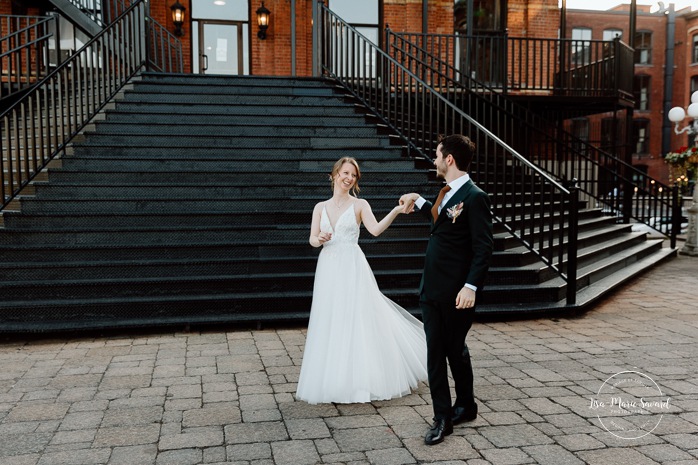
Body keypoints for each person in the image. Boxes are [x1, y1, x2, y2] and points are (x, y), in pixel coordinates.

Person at [295, 157, 428, 404]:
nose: (349, 178)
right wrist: (319, 239)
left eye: (354, 175)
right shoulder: (319, 207)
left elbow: (375, 230)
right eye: (345, 173)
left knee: (355, 317)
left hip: (351, 264)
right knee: (330, 318)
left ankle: (360, 380)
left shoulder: (360, 204)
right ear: (334, 174)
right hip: (328, 266)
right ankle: (333, 380)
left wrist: (397, 210)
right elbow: (312, 239)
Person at [400, 135, 493, 446]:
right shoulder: (447, 193)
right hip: (431, 288)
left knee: (454, 350)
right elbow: (444, 218)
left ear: (449, 159)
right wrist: (421, 200)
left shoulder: (475, 196)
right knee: (437, 352)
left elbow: (483, 247)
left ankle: (465, 405)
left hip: (456, 292)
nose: (435, 160)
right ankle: (444, 416)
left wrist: (471, 287)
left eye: (438, 155)